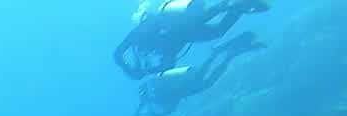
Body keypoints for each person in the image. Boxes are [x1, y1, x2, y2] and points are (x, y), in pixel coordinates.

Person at [114, 0, 270, 80]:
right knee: (218, 30)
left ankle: (235, 5)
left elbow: (117, 54)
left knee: (211, 18)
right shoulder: (151, 45)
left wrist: (129, 69)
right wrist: (149, 70)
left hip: (181, 25)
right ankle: (241, 6)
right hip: (185, 33)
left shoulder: (137, 33)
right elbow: (169, 63)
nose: (143, 51)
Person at [135, 30, 266, 116]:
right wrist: (146, 110)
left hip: (187, 84)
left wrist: (150, 113)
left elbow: (169, 109)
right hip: (187, 77)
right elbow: (169, 105)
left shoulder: (158, 97)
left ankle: (224, 53)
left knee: (208, 78)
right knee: (207, 77)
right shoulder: (155, 92)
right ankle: (227, 53)